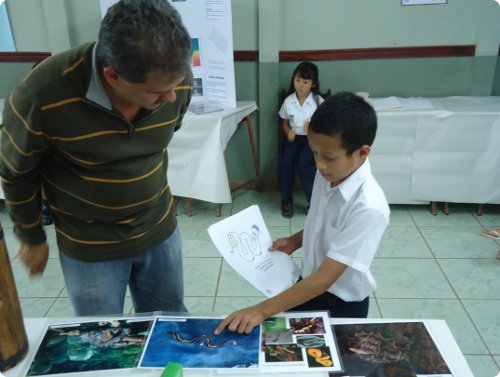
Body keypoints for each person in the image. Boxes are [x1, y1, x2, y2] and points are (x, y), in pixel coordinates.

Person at [0, 0, 193, 316]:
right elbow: (15, 172)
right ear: (113, 75)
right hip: (91, 246)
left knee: (168, 323)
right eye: (158, 93)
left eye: (176, 85)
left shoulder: (172, 77)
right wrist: (31, 236)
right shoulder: (41, 95)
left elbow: (166, 127)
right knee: (101, 339)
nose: (171, 97)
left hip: (158, 229)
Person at [215, 92, 390, 335]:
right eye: (314, 152)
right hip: (306, 287)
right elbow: (321, 220)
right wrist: (296, 240)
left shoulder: (368, 207)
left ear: (362, 153)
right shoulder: (328, 173)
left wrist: (261, 311)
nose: (319, 164)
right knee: (288, 355)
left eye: (328, 156)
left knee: (332, 367)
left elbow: (325, 279)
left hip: (341, 305)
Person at [278, 62, 324, 218]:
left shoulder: (318, 102)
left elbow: (326, 126)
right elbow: (284, 122)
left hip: (312, 140)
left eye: (305, 82)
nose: (300, 85)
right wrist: (287, 132)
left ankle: (313, 202)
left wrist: (312, 129)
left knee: (304, 163)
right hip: (294, 139)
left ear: (313, 83)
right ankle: (286, 201)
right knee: (285, 162)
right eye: (297, 80)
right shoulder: (288, 101)